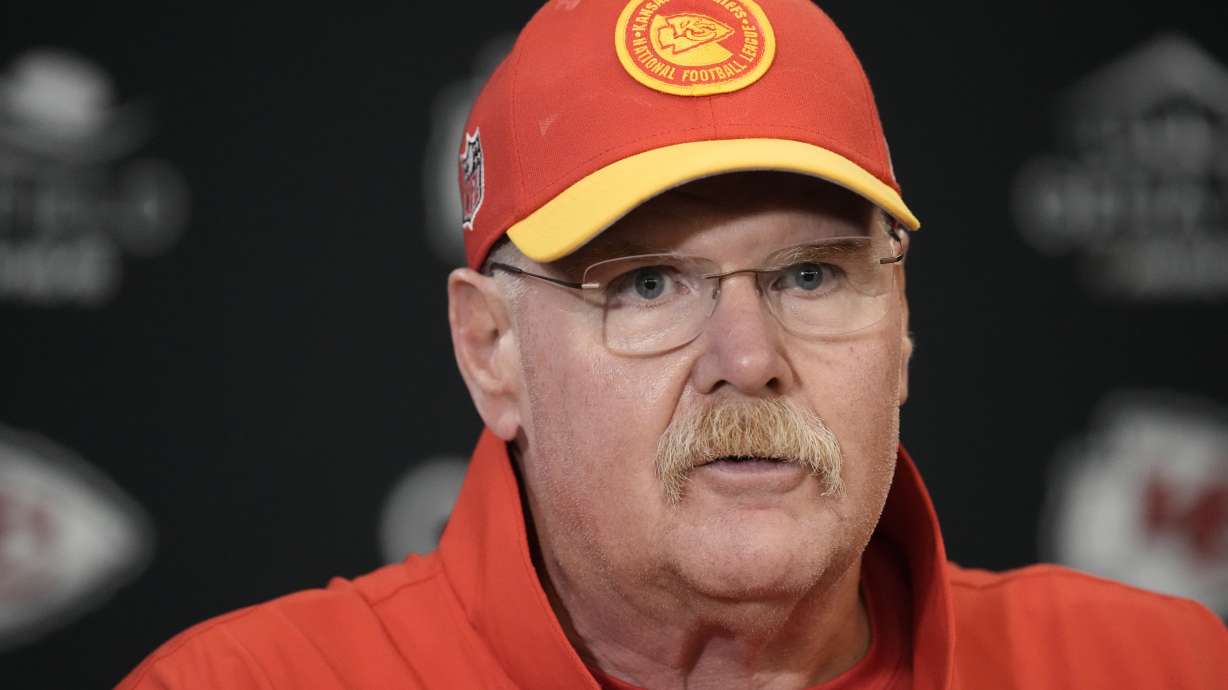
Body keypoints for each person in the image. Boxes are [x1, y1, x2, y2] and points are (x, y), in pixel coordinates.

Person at [117, 1, 1228, 688]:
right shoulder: (246, 685)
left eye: (810, 274)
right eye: (645, 284)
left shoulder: (1159, 671)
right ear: (489, 348)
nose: (747, 356)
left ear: (900, 330)